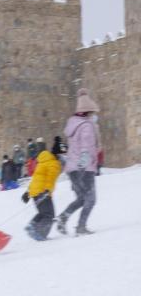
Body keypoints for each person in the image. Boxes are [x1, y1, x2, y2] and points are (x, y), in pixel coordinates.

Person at [57, 88, 100, 236]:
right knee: (90, 199)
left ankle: (62, 218)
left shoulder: (73, 124)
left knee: (81, 198)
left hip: (72, 168)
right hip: (84, 168)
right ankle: (81, 227)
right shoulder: (87, 126)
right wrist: (83, 166)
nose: (94, 116)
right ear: (88, 112)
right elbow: (86, 148)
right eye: (93, 113)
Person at [21, 140, 62, 241]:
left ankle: (32, 225)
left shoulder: (42, 162)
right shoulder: (53, 163)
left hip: (35, 192)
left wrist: (28, 193)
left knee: (43, 213)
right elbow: (50, 178)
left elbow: (36, 179)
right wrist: (47, 190)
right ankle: (40, 234)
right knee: (49, 215)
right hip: (43, 191)